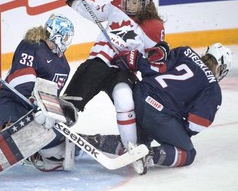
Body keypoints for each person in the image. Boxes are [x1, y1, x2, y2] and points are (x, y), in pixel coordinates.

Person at [58, 0, 166, 172]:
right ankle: (45, 141)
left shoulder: (154, 27)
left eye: (135, 1)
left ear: (147, 3)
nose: (128, 4)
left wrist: (159, 55)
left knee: (125, 100)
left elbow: (154, 60)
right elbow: (96, 12)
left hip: (122, 70)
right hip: (97, 64)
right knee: (68, 108)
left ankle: (132, 149)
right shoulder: (117, 4)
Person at [83, 42, 232, 175]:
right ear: (222, 68)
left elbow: (154, 67)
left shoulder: (185, 52)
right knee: (188, 153)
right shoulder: (213, 89)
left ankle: (93, 141)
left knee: (137, 143)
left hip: (139, 95)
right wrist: (176, 132)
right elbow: (196, 123)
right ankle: (149, 156)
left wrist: (137, 61)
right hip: (159, 116)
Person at [0, 13, 74, 129]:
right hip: (12, 102)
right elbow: (18, 81)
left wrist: (53, 110)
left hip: (37, 112)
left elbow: (52, 94)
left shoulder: (64, 67)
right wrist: (37, 102)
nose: (67, 41)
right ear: (56, 34)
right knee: (16, 131)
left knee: (53, 134)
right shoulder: (31, 45)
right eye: (66, 36)